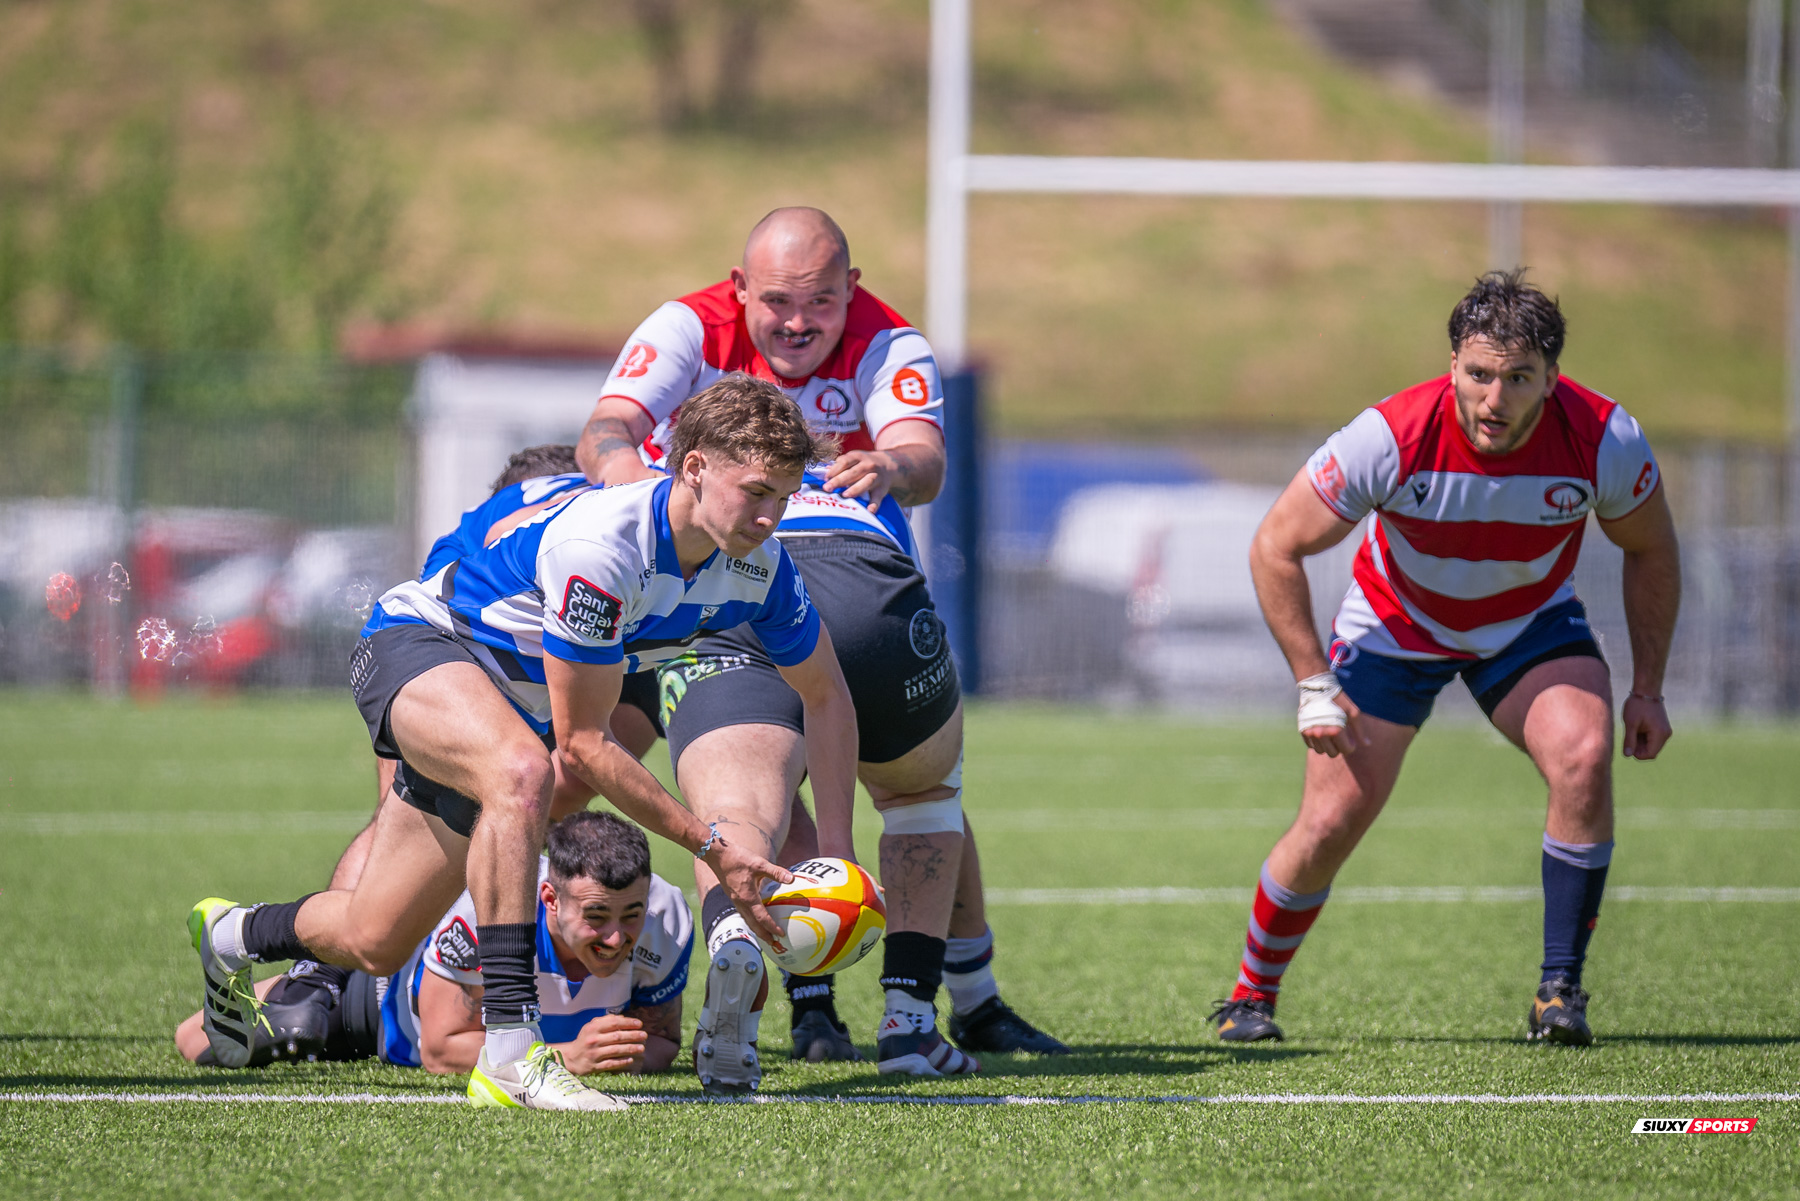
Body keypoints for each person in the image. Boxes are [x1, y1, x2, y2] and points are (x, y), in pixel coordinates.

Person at [190, 377, 857, 1110]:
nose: (770, 516)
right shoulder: (605, 549)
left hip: (509, 702)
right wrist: (710, 846)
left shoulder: (761, 566)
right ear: (693, 467)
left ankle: (230, 932)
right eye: (756, 491)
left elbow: (825, 693)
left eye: (784, 497)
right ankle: (512, 1052)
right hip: (423, 642)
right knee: (522, 770)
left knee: (374, 937)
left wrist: (836, 850)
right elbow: (582, 746)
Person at [579, 206, 1068, 1081]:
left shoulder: (887, 341)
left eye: (822, 303)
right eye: (777, 303)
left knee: (719, 786)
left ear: (854, 288)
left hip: (719, 594)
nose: (799, 324)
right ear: (738, 291)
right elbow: (606, 433)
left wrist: (889, 465)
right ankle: (914, 1018)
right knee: (920, 792)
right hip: (824, 591)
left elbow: (921, 455)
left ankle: (743, 950)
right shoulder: (690, 326)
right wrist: (629, 481)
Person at [1208, 270, 1680, 1047]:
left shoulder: (1603, 437)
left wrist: (1649, 688)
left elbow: (1652, 549)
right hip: (1397, 624)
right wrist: (1311, 682)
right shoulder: (1389, 434)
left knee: (1585, 754)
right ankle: (1250, 995)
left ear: (1552, 378)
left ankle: (1559, 992)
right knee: (1330, 820)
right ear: (1454, 362)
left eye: (1520, 378)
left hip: (1528, 622)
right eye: (1480, 374)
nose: (1495, 399)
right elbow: (1276, 545)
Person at [177, 812, 689, 1078]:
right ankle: (304, 968)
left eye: (631, 914)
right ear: (550, 899)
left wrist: (627, 1056)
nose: (618, 936)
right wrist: (567, 1058)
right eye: (596, 916)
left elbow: (663, 1040)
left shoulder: (665, 920)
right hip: (377, 1004)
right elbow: (440, 1049)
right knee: (199, 1039)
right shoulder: (485, 916)